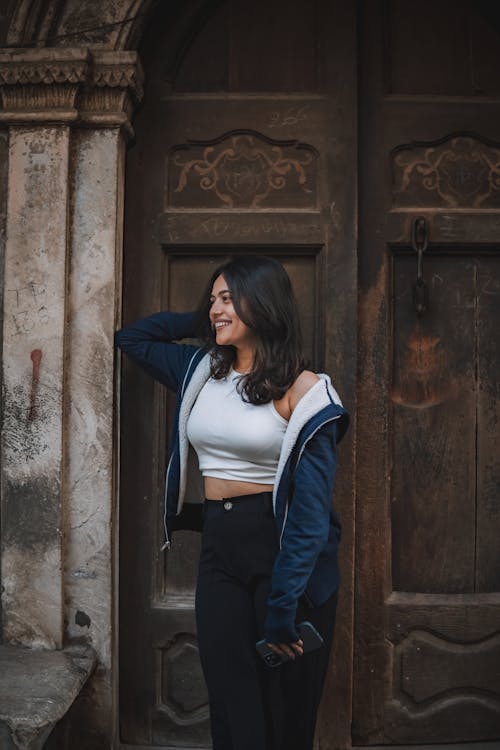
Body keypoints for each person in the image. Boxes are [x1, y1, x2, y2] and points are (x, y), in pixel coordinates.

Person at [115, 255, 348, 750]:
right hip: (220, 552)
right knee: (231, 700)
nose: (216, 309)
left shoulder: (305, 391)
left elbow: (309, 514)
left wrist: (286, 602)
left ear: (262, 306)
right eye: (213, 299)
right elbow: (132, 338)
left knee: (284, 709)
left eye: (228, 299)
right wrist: (205, 318)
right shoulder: (201, 369)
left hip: (282, 554)